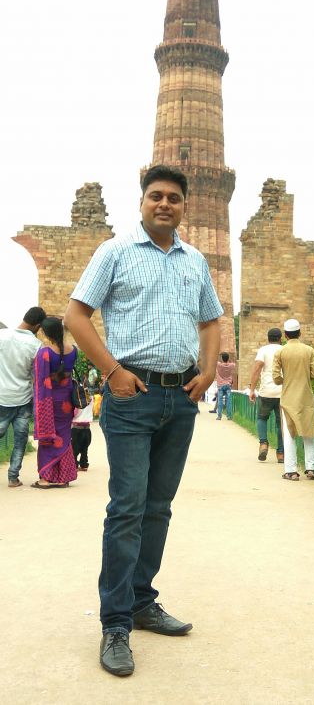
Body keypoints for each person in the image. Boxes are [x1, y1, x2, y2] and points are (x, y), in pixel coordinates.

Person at [64, 164, 222, 678]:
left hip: (180, 399)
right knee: (128, 507)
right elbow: (75, 315)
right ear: (142, 202)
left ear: (184, 206)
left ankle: (140, 599)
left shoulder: (194, 260)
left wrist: (207, 374)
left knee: (158, 507)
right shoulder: (115, 252)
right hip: (132, 396)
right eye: (156, 196)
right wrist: (112, 372)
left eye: (174, 198)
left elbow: (212, 319)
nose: (165, 204)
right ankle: (115, 623)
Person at [0, 306, 46, 487]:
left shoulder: (2, 336)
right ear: (38, 326)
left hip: (2, 397)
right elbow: (37, 376)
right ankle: (13, 478)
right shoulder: (37, 346)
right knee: (20, 440)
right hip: (24, 399)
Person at [32, 316, 78, 489]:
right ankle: (63, 477)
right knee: (64, 436)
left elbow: (40, 381)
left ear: (45, 333)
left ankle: (46, 478)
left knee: (49, 436)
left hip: (49, 401)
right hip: (66, 401)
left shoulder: (44, 353)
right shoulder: (73, 350)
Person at [272, 318, 314, 481]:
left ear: (285, 335)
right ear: (299, 333)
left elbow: (276, 377)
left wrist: (285, 380)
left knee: (290, 434)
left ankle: (291, 471)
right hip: (306, 397)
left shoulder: (280, 352)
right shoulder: (309, 350)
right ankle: (311, 468)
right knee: (308, 433)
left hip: (288, 399)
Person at [249, 327, 284, 463]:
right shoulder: (284, 350)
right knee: (280, 423)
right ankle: (281, 453)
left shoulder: (263, 350)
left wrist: (252, 389)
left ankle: (263, 444)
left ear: (268, 338)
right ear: (280, 338)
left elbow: (257, 369)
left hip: (266, 392)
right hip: (282, 391)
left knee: (262, 418)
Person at [71, 391, 94, 471]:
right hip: (87, 428)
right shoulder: (91, 399)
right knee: (85, 448)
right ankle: (84, 464)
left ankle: (74, 465)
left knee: (74, 449)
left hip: (76, 428)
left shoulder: (77, 401)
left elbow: (74, 414)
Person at [215, 352, 236, 420]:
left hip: (220, 385)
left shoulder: (219, 365)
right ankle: (229, 416)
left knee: (220, 401)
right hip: (228, 385)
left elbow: (215, 361)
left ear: (221, 358)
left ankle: (219, 416)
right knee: (228, 401)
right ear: (228, 358)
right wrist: (229, 361)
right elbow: (234, 363)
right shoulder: (231, 365)